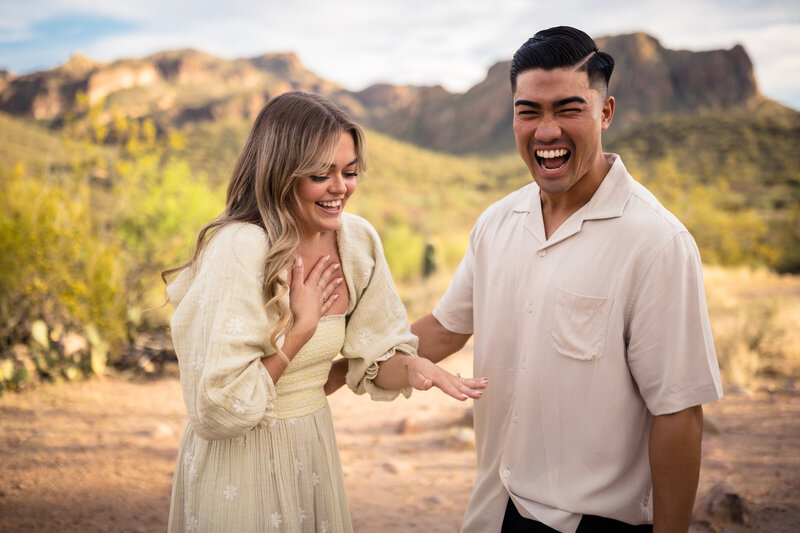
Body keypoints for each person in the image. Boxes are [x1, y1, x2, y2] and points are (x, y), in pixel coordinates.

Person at [411, 26, 723, 533]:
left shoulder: (656, 242)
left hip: (594, 522)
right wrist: (343, 362)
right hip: (494, 508)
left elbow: (678, 414)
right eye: (528, 111)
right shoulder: (497, 222)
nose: (547, 132)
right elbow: (446, 328)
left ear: (605, 113)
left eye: (568, 109)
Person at [162, 91, 487, 533]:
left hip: (312, 451)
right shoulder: (239, 248)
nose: (341, 188)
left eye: (350, 172)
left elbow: (376, 360)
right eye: (321, 174)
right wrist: (300, 331)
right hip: (240, 464)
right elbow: (217, 409)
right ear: (280, 174)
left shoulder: (356, 242)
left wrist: (413, 368)